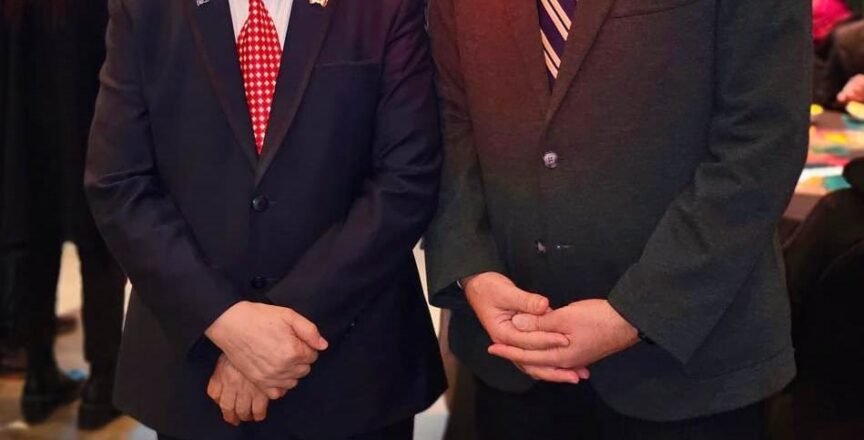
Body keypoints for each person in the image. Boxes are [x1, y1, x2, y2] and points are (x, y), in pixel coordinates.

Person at [425, 0, 811, 439]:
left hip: (689, 368)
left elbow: (762, 141)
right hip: (511, 354)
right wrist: (472, 271)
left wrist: (641, 309)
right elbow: (450, 120)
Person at [85, 0, 445, 438]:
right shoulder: (146, 9)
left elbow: (406, 179)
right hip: (195, 367)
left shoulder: (383, 8)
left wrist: (276, 333)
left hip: (354, 368)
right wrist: (224, 320)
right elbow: (119, 182)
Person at [0, 0, 127, 428]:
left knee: (33, 256)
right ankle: (101, 388)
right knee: (100, 256)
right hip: (87, 139)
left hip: (22, 147)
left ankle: (38, 382)